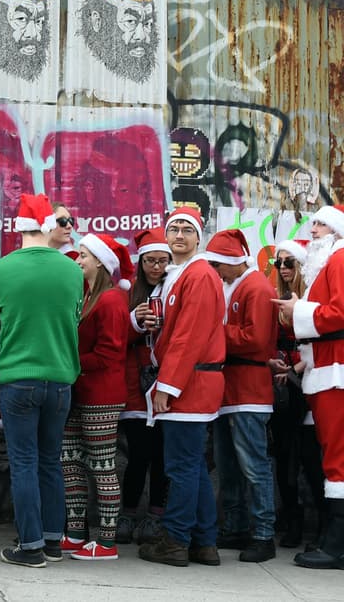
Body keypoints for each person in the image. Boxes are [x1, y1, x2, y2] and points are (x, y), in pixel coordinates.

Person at [0, 193, 83, 568]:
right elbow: (74, 317)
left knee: (24, 462)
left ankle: (30, 546)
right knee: (50, 461)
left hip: (18, 378)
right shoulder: (72, 270)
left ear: (17, 228)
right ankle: (53, 540)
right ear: (47, 226)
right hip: (60, 378)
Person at [139, 207, 226, 568]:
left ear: (199, 236)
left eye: (186, 230)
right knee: (191, 465)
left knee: (181, 466)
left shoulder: (200, 275)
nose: (178, 235)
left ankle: (175, 539)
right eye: (173, 228)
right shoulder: (181, 275)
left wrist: (167, 386)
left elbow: (188, 337)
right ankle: (204, 541)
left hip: (190, 383)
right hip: (190, 381)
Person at [274, 205, 344, 569]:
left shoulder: (340, 259)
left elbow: (341, 312)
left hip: (336, 370)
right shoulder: (328, 263)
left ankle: (337, 545)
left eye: (320, 223)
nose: (312, 229)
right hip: (328, 368)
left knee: (337, 457)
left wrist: (297, 311)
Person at [202, 229, 278, 562]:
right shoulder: (238, 285)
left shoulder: (256, 287)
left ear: (234, 262)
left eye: (219, 264)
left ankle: (263, 535)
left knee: (253, 466)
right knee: (230, 467)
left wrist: (212, 332)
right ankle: (235, 527)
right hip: (230, 390)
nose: (215, 270)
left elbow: (256, 340)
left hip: (248, 390)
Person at [62, 234, 132, 560]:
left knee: (102, 466)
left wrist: (71, 363)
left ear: (101, 263)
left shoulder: (112, 300)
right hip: (80, 391)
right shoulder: (89, 297)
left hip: (101, 395)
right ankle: (76, 534)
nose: (78, 261)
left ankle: (106, 542)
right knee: (70, 462)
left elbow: (109, 353)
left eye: (84, 256)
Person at [267, 235, 325, 550]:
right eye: (280, 262)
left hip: (311, 384)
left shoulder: (313, 298)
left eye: (290, 262)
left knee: (311, 460)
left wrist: (298, 367)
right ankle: (292, 522)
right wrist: (273, 361)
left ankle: (321, 527)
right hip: (285, 387)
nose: (284, 267)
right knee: (284, 458)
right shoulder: (279, 297)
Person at [118, 227, 171, 545]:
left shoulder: (175, 289)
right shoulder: (129, 293)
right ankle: (127, 513)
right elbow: (115, 340)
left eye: (162, 261)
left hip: (166, 384)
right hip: (136, 387)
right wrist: (135, 322)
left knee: (163, 456)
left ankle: (155, 517)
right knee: (138, 455)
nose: (156, 267)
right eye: (150, 261)